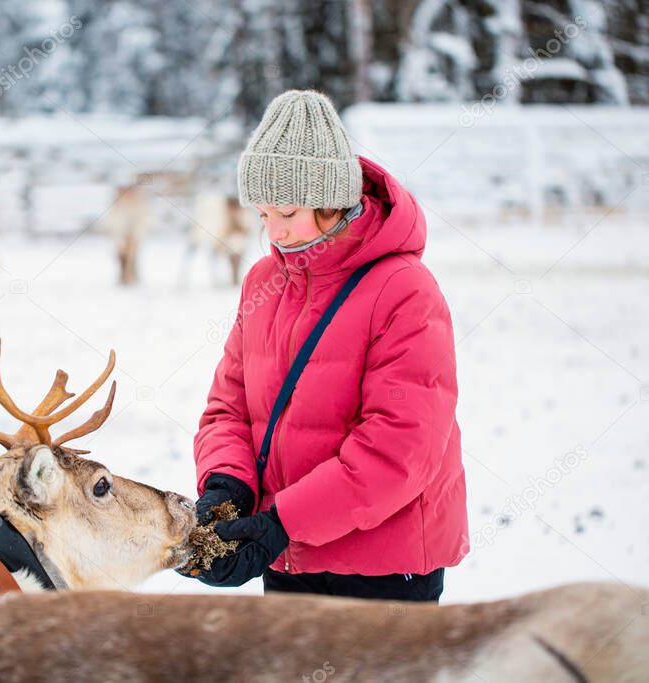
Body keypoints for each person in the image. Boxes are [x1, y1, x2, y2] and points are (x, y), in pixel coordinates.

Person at [180, 90, 468, 602]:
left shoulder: (405, 289)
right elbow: (228, 407)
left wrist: (283, 523)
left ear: (332, 199)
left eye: (287, 211)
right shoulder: (264, 283)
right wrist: (227, 489)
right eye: (263, 214)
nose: (274, 231)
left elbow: (400, 446)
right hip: (290, 561)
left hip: (382, 568)